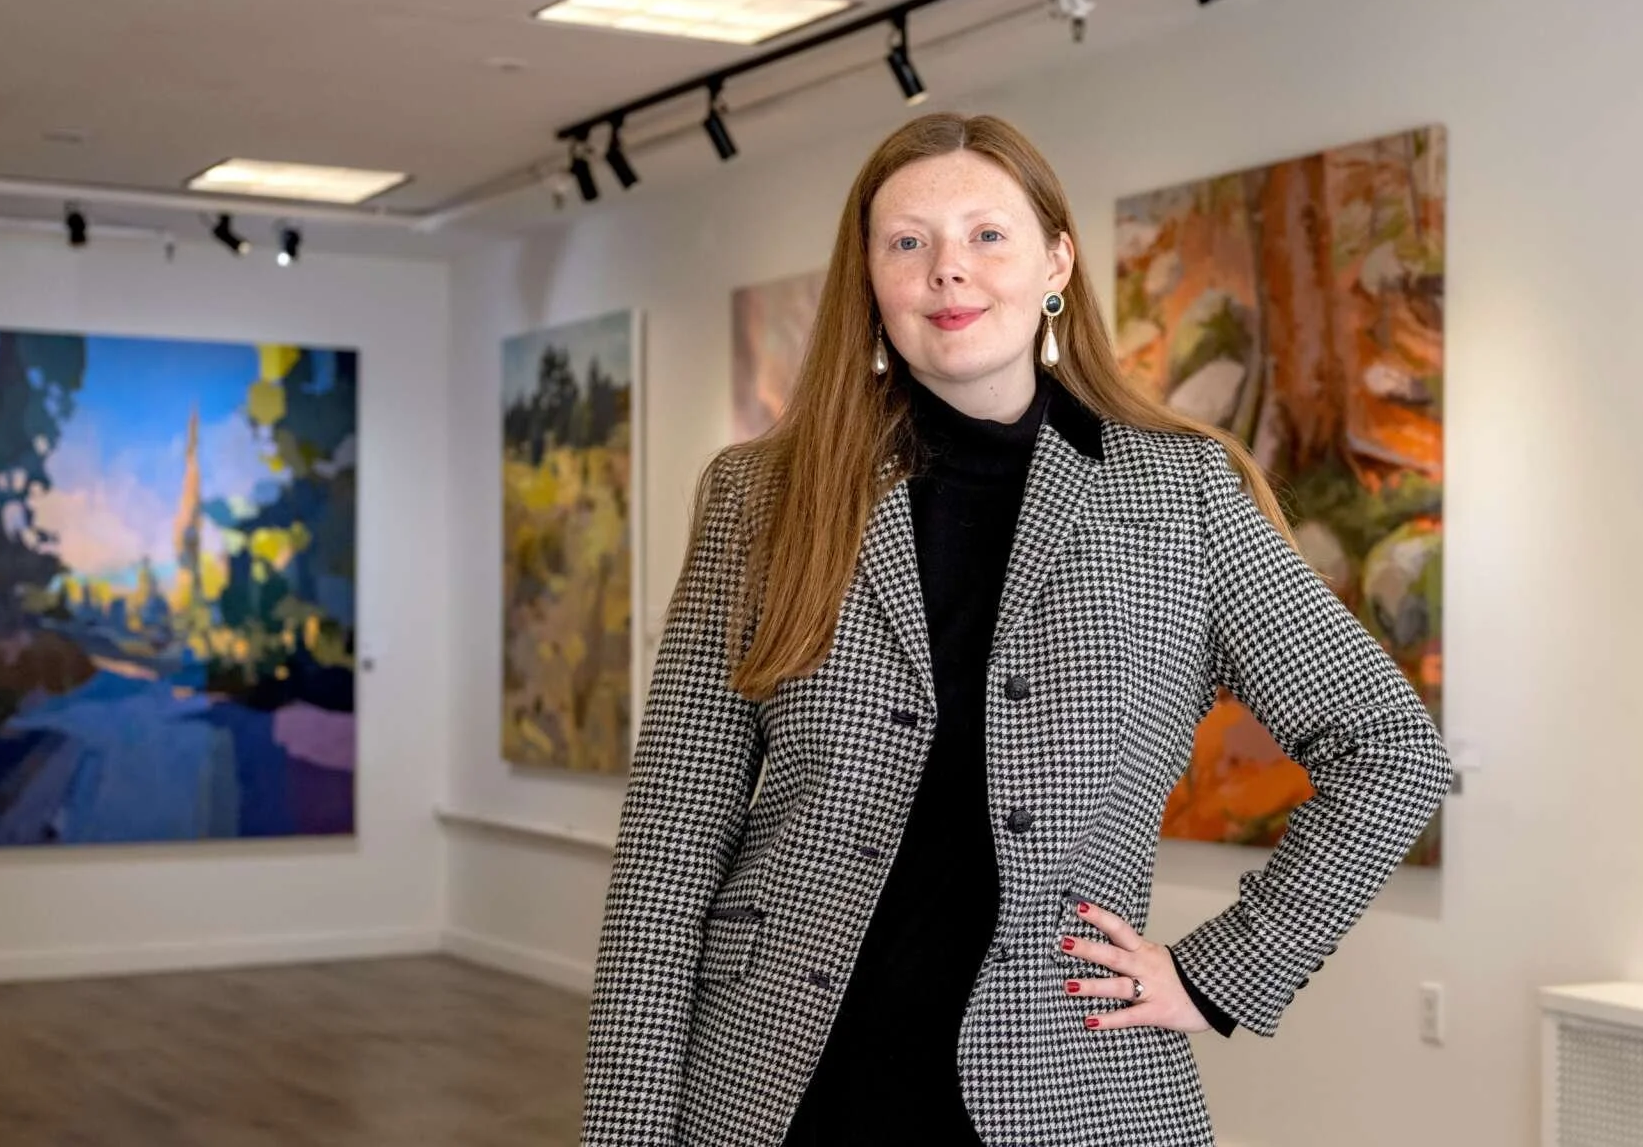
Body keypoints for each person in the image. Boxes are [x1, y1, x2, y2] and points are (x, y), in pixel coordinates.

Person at [578, 112, 1451, 1147]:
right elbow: (670, 846)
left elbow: (1388, 749)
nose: (947, 269)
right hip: (781, 1089)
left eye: (986, 235)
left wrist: (1222, 971)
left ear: (1056, 263)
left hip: (1069, 1092)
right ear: (870, 279)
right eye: (907, 242)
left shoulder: (1180, 497)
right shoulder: (762, 497)